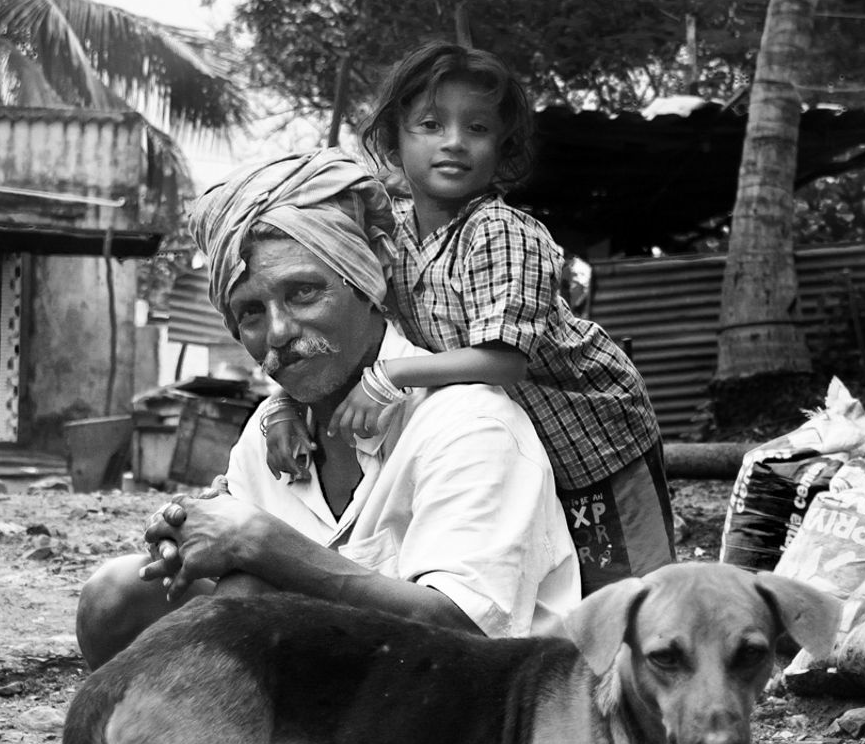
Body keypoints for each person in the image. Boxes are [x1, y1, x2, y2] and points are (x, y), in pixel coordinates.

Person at [75, 148, 580, 672]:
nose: (278, 333)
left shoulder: (470, 425)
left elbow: (467, 637)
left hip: (461, 720)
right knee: (116, 598)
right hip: (333, 699)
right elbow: (237, 577)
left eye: (304, 293)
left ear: (367, 281)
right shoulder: (270, 428)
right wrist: (192, 539)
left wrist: (258, 541)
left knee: (247, 596)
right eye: (250, 311)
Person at [263, 42, 675, 595]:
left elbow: (503, 361)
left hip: (594, 435)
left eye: (477, 128)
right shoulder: (391, 240)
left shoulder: (502, 232)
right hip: (513, 445)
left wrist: (391, 377)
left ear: (500, 148)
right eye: (431, 124)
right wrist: (285, 403)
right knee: (558, 591)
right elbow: (345, 336)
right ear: (394, 139)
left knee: (634, 595)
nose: (454, 141)